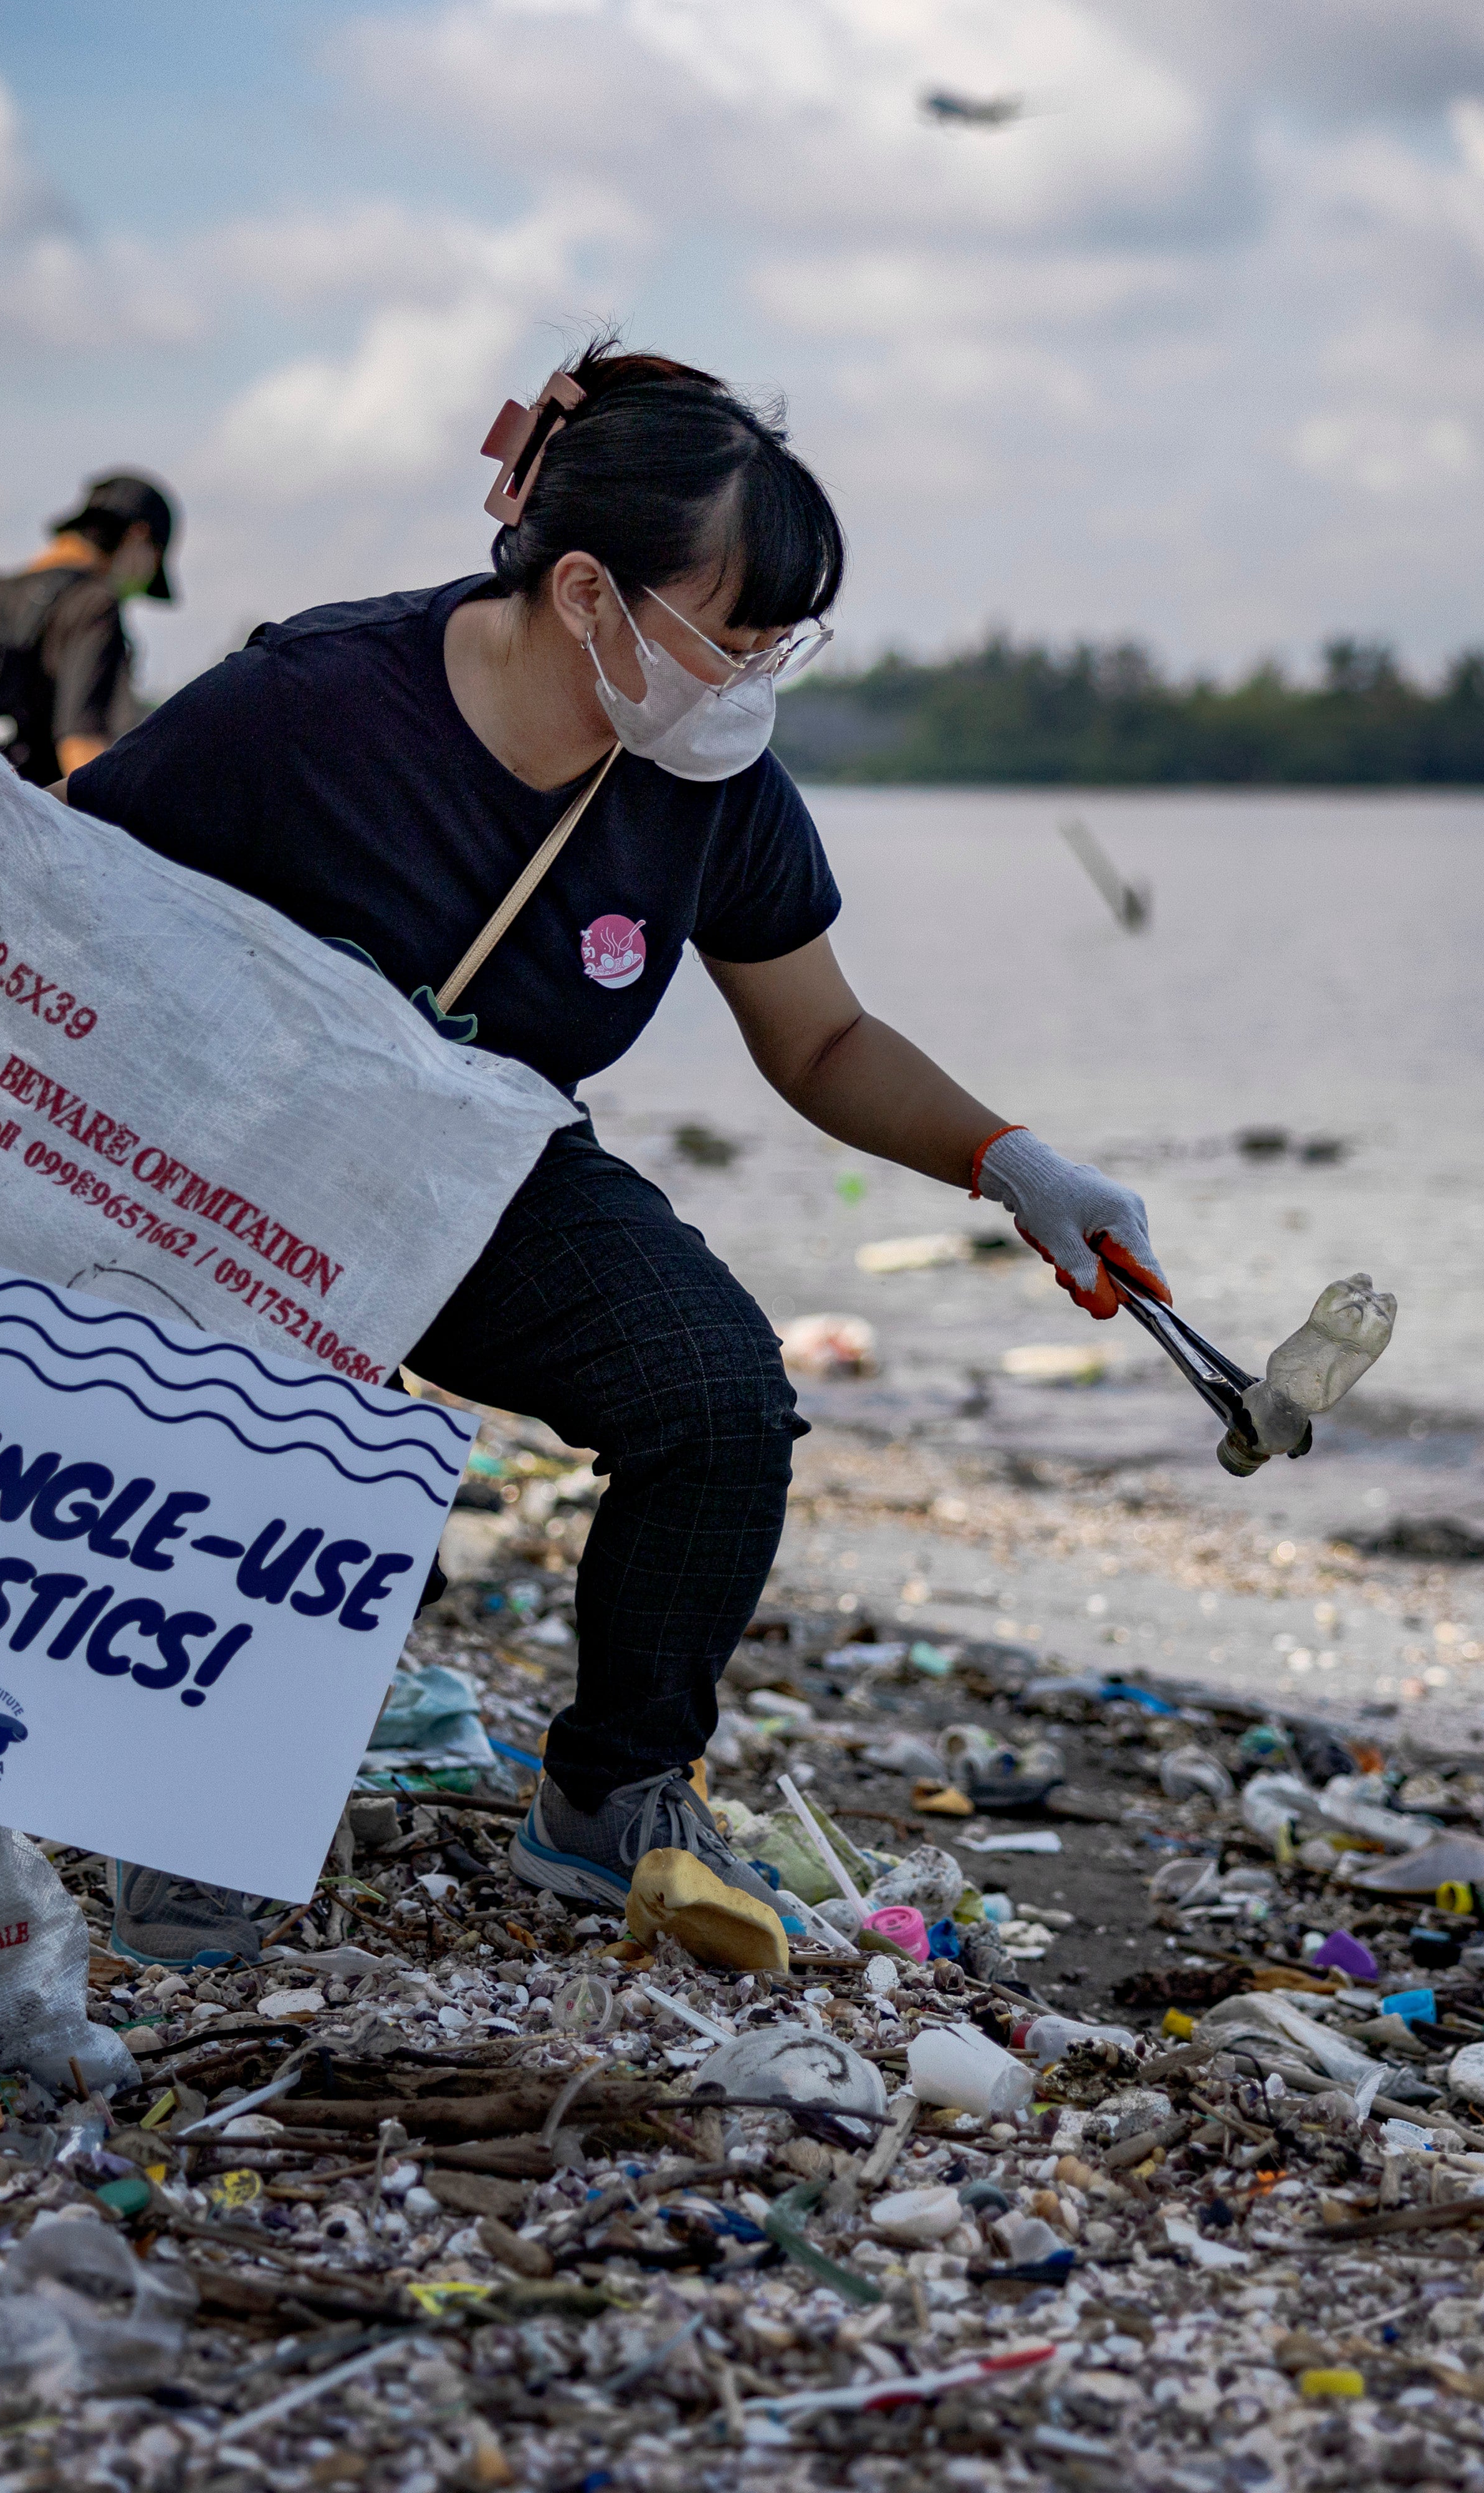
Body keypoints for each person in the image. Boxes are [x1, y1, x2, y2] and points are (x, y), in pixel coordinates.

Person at [60, 341, 1172, 1966]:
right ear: (588, 591)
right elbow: (65, 907)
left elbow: (824, 1041)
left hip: (480, 1164)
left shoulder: (711, 785)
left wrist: (1015, 1167)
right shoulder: (310, 707)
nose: (759, 671)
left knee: (720, 1399)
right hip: (241, 1177)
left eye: (786, 638)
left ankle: (618, 1793)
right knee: (316, 1460)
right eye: (733, 632)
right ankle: (198, 1800)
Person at [0, 471, 176, 790]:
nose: (139, 590)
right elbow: (81, 745)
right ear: (139, 538)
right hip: (30, 825)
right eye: (153, 567)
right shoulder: (95, 604)